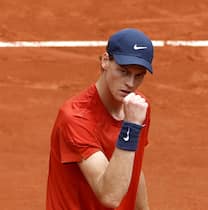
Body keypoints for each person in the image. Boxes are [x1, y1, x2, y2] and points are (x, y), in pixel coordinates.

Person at [46, 28, 154, 210]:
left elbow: (133, 170)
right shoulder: (75, 118)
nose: (130, 83)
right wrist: (130, 127)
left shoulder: (137, 108)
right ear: (105, 61)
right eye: (123, 71)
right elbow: (109, 195)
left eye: (139, 75)